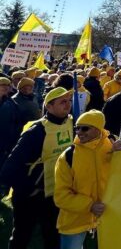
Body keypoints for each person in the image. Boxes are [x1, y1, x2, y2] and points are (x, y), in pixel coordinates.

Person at [0, 87, 74, 249]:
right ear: (49, 106)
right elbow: (12, 164)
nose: (67, 105)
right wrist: (27, 188)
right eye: (62, 102)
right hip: (30, 195)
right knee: (22, 235)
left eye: (69, 101)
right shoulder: (37, 131)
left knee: (52, 235)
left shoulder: (72, 124)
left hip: (55, 193)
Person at [54, 110, 121, 249]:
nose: (79, 132)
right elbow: (61, 196)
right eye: (77, 128)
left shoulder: (114, 146)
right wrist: (89, 205)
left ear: (98, 129)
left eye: (85, 128)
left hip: (110, 217)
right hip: (75, 221)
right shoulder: (67, 156)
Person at [0, 77, 22, 169]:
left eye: (8, 85)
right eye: (3, 85)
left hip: (6, 145)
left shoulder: (12, 103)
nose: (6, 87)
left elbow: (17, 122)